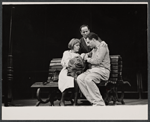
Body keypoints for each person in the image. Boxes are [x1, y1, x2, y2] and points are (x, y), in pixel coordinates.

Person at [77, 32, 110, 106]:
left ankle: (99, 103)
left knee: (88, 79)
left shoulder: (102, 46)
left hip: (102, 71)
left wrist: (87, 59)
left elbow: (97, 61)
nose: (88, 45)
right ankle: (93, 101)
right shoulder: (94, 49)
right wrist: (84, 55)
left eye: (89, 42)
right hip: (94, 71)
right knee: (79, 78)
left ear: (94, 40)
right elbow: (88, 54)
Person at [58, 38, 81, 106]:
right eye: (77, 45)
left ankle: (75, 101)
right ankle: (62, 99)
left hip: (76, 72)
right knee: (68, 79)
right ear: (72, 45)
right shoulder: (66, 53)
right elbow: (67, 63)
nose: (78, 47)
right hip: (66, 71)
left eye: (79, 45)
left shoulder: (79, 55)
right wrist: (74, 62)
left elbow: (79, 65)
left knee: (76, 80)